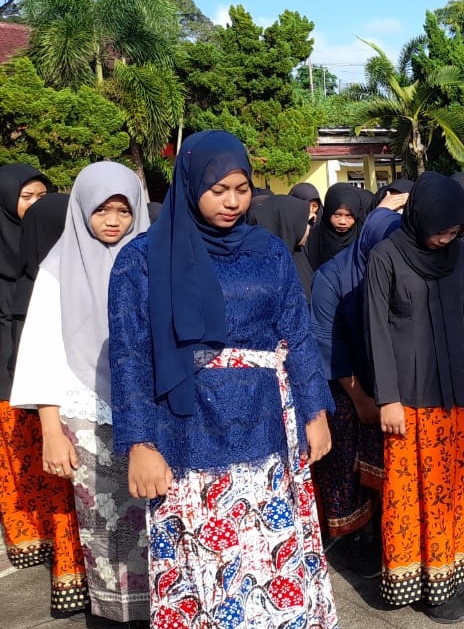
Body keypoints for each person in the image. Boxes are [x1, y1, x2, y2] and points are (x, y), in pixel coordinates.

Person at [107, 130, 338, 629]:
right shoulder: (142, 260)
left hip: (267, 429)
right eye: (219, 190)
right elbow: (130, 357)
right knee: (205, 563)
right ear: (191, 186)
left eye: (242, 189)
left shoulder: (268, 251)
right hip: (186, 433)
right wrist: (140, 444)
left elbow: (298, 335)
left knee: (271, 556)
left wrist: (316, 412)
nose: (232, 202)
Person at [11, 162, 150, 624]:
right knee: (105, 529)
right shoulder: (57, 271)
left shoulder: (154, 263)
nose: (113, 221)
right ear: (81, 209)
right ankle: (113, 616)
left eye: (124, 211)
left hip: (152, 415)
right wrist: (51, 431)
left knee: (158, 522)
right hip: (89, 417)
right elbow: (42, 353)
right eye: (102, 210)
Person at [363, 173, 464, 621]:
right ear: (419, 217)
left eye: (454, 229)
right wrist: (387, 398)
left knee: (460, 484)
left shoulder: (459, 254)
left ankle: (458, 568)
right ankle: (429, 583)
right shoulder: (386, 257)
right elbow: (376, 332)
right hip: (411, 398)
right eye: (439, 229)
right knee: (420, 492)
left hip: (458, 389)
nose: (446, 237)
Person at [0, 164, 88, 616]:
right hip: (31, 397)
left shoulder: (70, 271)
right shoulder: (41, 282)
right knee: (51, 485)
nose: (35, 206)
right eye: (26, 196)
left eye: (41, 196)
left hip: (52, 399)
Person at [309, 208, 402, 576]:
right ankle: (351, 534)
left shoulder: (397, 267)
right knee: (345, 453)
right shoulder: (331, 276)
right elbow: (327, 342)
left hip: (385, 381)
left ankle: (384, 528)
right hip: (342, 381)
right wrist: (360, 397)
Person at [249, 194, 315, 298]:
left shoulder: (300, 258)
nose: (309, 228)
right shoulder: (256, 273)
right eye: (306, 223)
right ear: (288, 224)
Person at [307, 183, 368, 269]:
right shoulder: (313, 237)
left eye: (349, 216)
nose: (342, 222)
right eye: (337, 215)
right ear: (328, 212)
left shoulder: (364, 237)